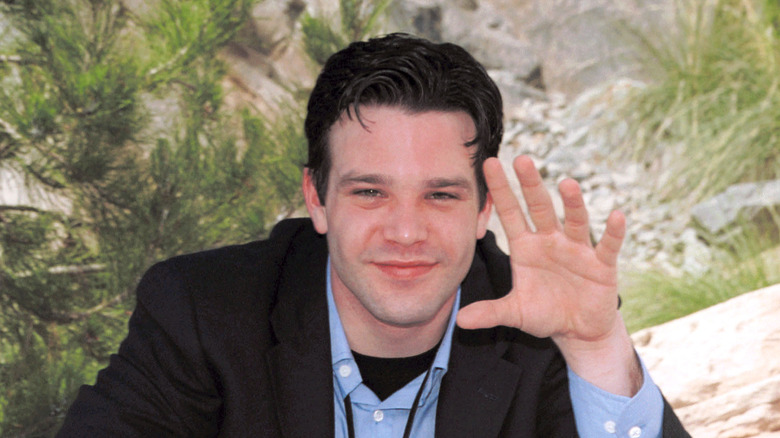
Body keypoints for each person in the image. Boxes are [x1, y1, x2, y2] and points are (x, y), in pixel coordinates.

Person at [58, 33, 689, 437]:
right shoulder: (202, 310)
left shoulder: (538, 328)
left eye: (440, 195)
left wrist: (598, 349)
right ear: (317, 198)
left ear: (482, 211)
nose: (407, 231)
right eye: (370, 192)